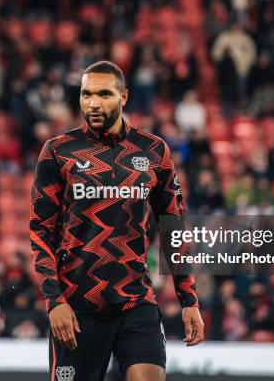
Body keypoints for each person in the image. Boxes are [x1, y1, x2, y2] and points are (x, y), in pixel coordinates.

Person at [30, 61, 204, 381]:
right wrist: (55, 301)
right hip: (77, 306)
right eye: (86, 94)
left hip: (135, 301)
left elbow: (174, 227)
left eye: (104, 94)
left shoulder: (153, 151)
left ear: (123, 97)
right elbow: (41, 233)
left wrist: (188, 299)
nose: (93, 103)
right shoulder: (58, 152)